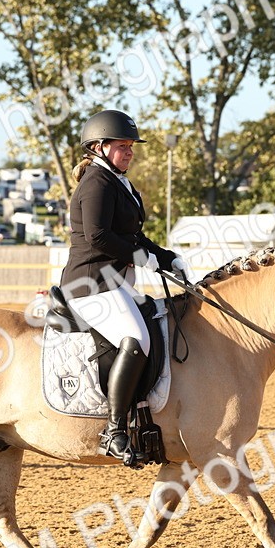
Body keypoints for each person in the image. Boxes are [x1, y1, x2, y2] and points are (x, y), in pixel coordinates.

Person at [59, 109, 185, 467]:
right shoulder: (96, 183)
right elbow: (98, 236)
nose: (129, 152)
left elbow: (132, 235)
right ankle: (114, 431)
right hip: (91, 285)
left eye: (131, 146)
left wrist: (165, 257)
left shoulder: (117, 182)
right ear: (98, 147)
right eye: (122, 146)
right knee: (137, 339)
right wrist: (141, 258)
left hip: (115, 285)